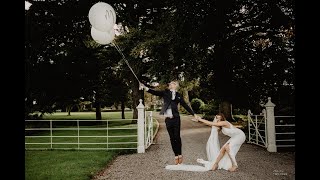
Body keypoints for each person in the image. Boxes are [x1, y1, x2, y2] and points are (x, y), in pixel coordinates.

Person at [140, 80, 199, 165]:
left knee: (177, 137)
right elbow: (154, 92)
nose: (170, 84)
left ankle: (180, 154)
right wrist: (145, 88)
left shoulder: (178, 95)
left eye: (173, 83)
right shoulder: (165, 92)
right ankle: (176, 155)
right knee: (172, 138)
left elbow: (185, 105)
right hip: (168, 119)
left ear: (176, 86)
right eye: (170, 83)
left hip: (176, 118)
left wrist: (194, 114)